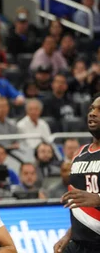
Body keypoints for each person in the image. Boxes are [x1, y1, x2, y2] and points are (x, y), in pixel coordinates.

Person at [53, 96, 100, 253]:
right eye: (92, 109)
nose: (93, 113)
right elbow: (81, 208)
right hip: (79, 243)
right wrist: (69, 234)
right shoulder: (80, 153)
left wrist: (98, 200)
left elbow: (93, 200)